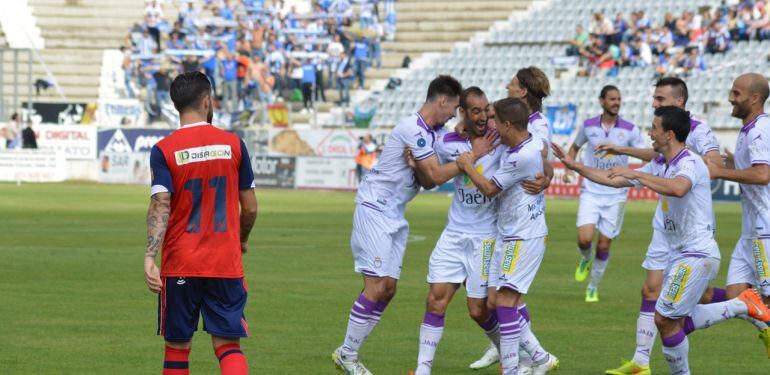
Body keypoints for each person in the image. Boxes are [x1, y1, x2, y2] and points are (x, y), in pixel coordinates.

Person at [554, 106, 770, 375]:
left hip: (697, 255)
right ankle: (740, 306)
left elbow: (678, 188)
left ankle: (741, 304)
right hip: (681, 255)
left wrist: (638, 174)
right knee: (669, 323)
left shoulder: (689, 162)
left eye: (654, 128)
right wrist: (574, 165)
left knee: (664, 318)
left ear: (669, 134)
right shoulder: (660, 163)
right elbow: (615, 180)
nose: (649, 132)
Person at [331, 75, 496, 375]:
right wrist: (465, 162)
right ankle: (348, 354)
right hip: (375, 209)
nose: (453, 115)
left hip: (394, 215)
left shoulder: (433, 134)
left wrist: (425, 164)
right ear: (442, 101)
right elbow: (433, 176)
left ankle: (347, 351)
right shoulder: (413, 129)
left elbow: (427, 180)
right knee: (376, 285)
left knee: (389, 288)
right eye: (454, 108)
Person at [596, 77, 727, 375]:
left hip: (692, 229)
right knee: (653, 293)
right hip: (668, 226)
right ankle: (641, 361)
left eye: (659, 98)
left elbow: (708, 168)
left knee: (681, 310)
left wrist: (674, 171)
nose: (653, 103)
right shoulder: (665, 141)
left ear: (678, 102)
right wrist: (626, 156)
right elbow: (659, 156)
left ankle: (746, 304)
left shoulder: (698, 133)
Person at [144, 71, 257, 375]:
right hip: (224, 262)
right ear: (207, 101)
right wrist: (241, 239)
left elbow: (161, 203)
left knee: (177, 349)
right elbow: (250, 209)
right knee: (228, 346)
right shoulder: (234, 145)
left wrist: (149, 256)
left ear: (176, 105)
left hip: (180, 263)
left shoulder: (164, 150)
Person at [410, 87, 507, 375]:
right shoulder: (445, 142)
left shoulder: (499, 141)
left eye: (485, 109)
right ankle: (422, 369)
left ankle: (510, 352)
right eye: (475, 111)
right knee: (435, 299)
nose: (482, 116)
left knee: (478, 310)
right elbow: (430, 172)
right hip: (454, 233)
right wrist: (413, 161)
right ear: (463, 112)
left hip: (485, 236)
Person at [456, 97, 554, 375]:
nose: (492, 125)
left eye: (496, 121)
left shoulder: (519, 156)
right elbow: (546, 156)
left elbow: (488, 188)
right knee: (498, 302)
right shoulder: (533, 141)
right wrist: (548, 175)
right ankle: (539, 357)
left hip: (523, 237)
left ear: (508, 124)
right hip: (508, 233)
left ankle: (512, 368)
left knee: (504, 303)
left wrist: (467, 167)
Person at [706, 73, 770, 357]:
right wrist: (732, 163)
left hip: (764, 227)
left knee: (766, 298)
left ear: (754, 98)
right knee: (736, 295)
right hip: (750, 230)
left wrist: (722, 171)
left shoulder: (760, 130)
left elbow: (763, 174)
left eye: (736, 93)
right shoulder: (748, 130)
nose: (731, 99)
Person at [563, 86, 646, 302]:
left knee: (604, 244)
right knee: (584, 239)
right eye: (612, 99)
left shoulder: (630, 129)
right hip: (591, 190)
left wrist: (642, 173)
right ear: (602, 101)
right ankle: (585, 258)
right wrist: (568, 169)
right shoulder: (588, 125)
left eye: (618, 99)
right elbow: (574, 147)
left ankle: (593, 286)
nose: (616, 102)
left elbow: (646, 154)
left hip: (616, 195)